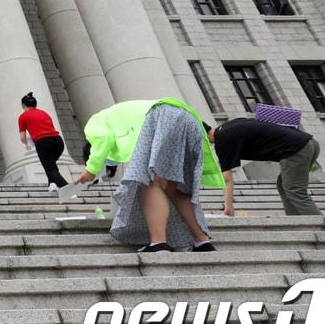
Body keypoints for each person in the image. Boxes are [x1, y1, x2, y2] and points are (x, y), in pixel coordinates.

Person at [77, 98, 224, 253]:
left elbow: (103, 139)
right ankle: (202, 242)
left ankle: (158, 242)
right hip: (188, 118)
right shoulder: (123, 128)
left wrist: (90, 169)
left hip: (161, 116)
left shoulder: (94, 124)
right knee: (173, 189)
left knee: (149, 181)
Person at [208, 118, 321, 216]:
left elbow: (227, 179)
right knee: (283, 185)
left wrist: (228, 207)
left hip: (297, 149)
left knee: (295, 190)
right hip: (308, 143)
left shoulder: (223, 140)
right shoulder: (227, 126)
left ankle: (320, 224)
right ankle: (298, 221)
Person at [18, 91, 68, 190]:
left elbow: (22, 137)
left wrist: (27, 144)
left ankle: (68, 191)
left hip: (43, 143)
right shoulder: (44, 113)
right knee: (51, 165)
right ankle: (52, 185)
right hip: (58, 142)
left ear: (23, 105)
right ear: (35, 104)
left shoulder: (23, 116)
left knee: (50, 170)